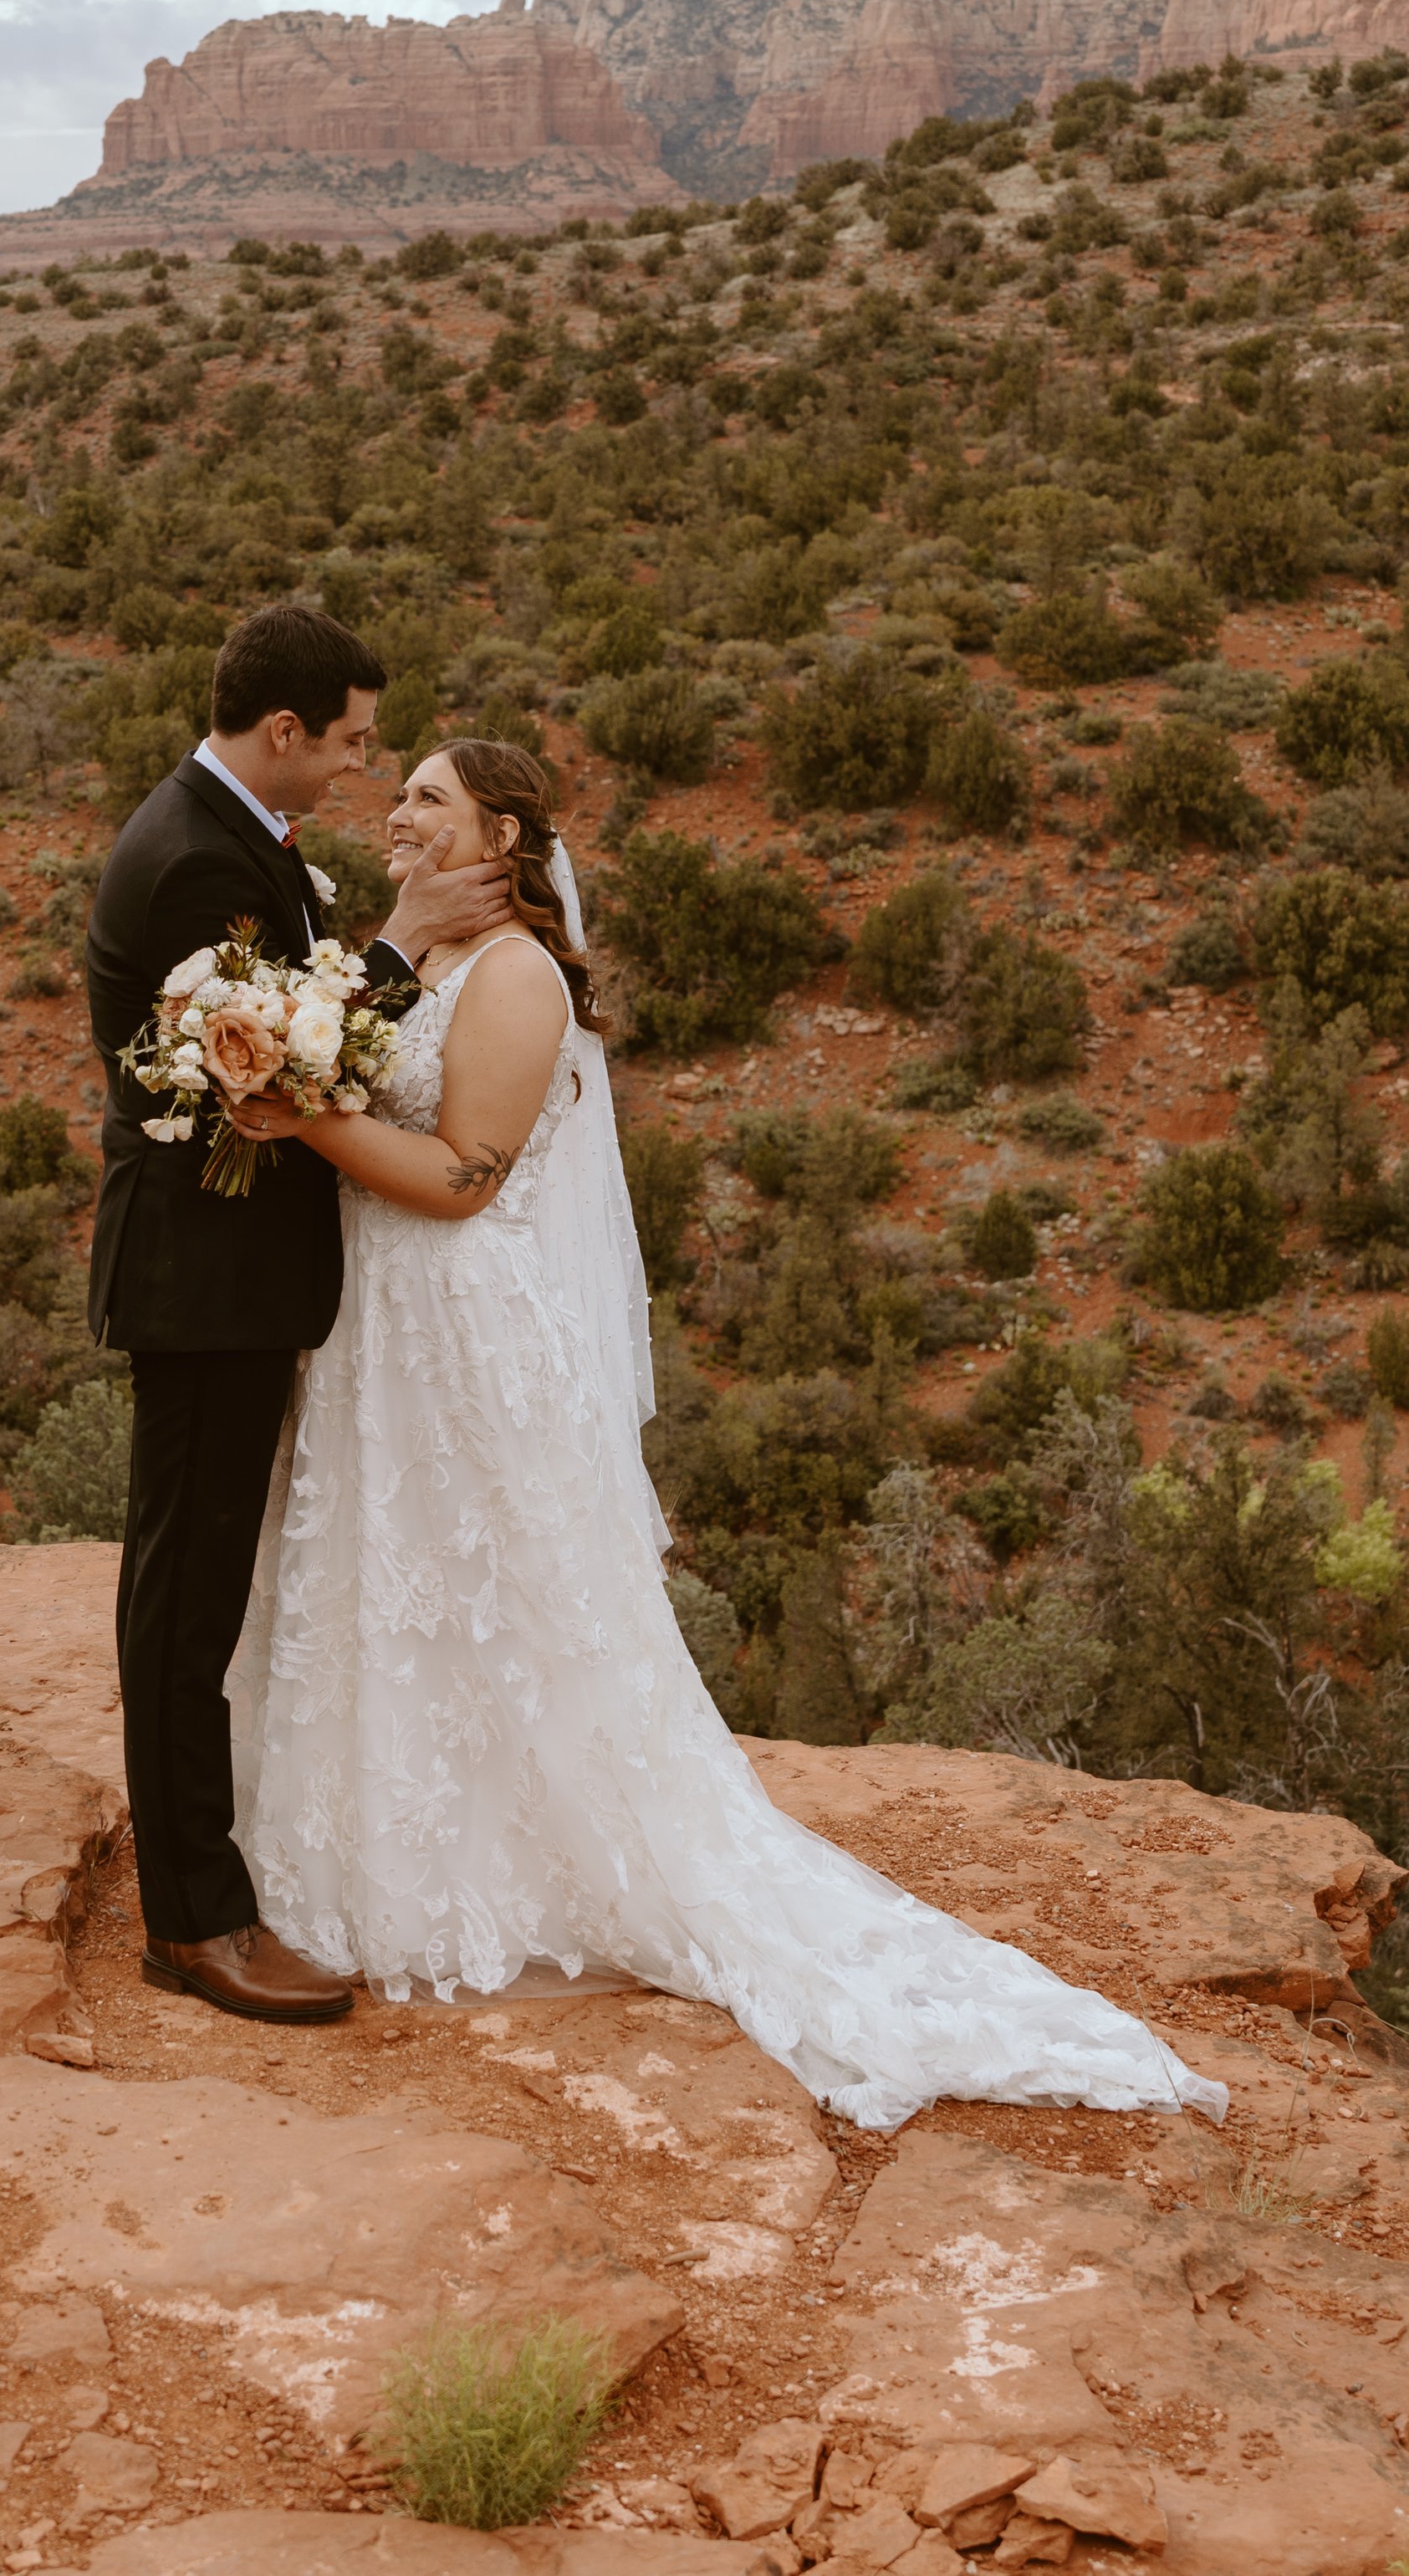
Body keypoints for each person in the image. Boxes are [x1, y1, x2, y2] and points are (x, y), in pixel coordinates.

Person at [226, 738, 1228, 2132]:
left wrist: (307, 1120)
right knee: (407, 1585)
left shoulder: (514, 974)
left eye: (428, 798)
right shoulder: (425, 958)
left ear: (504, 834)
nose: (396, 813)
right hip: (383, 1325)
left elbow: (462, 1177)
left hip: (456, 1322)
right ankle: (400, 1852)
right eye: (396, 792)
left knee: (498, 1592)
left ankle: (520, 1867)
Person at [85, 605, 513, 2025]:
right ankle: (194, 1920)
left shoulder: (231, 836)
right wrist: (399, 944)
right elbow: (269, 1070)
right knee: (184, 1596)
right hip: (203, 1282)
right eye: (350, 741)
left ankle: (206, 1884)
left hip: (232, 1277)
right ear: (283, 733)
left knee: (202, 1583)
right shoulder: (194, 861)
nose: (361, 769)